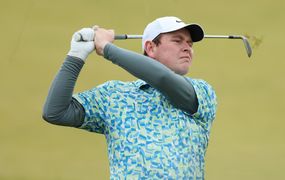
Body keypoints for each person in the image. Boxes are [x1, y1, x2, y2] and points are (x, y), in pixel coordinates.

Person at [43, 16, 217, 179]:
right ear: (150, 48)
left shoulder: (202, 91)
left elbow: (163, 78)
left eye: (190, 43)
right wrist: (76, 56)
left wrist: (106, 48)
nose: (187, 47)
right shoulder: (114, 95)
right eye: (177, 41)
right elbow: (56, 112)